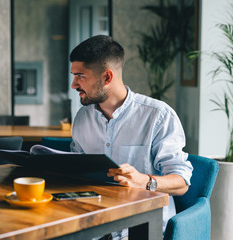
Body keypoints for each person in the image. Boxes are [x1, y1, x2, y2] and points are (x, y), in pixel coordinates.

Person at [69, 35, 193, 239]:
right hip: (93, 228)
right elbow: (77, 169)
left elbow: (182, 183)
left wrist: (145, 181)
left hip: (141, 230)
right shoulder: (83, 117)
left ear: (107, 77)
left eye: (80, 76)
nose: (74, 84)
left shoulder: (158, 115)